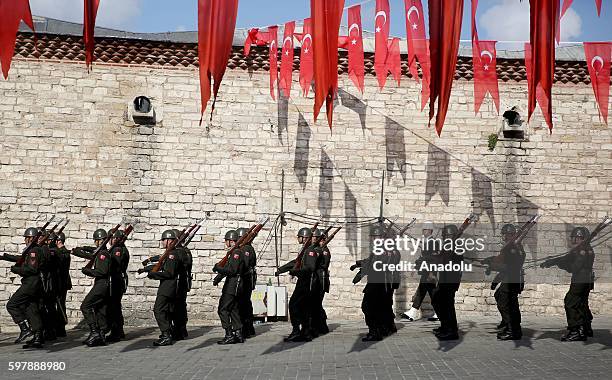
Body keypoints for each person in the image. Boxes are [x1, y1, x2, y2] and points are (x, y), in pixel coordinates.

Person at [541, 226, 595, 341]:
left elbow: (574, 267)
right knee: (581, 303)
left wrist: (560, 265)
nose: (574, 240)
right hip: (586, 280)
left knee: (570, 302)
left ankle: (575, 330)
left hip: (580, 280)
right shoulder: (585, 249)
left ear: (583, 238)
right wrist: (552, 261)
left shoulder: (582, 251)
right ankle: (585, 327)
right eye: (574, 238)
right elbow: (567, 258)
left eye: (577, 238)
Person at [1, 227, 45, 349]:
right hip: (33, 283)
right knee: (31, 309)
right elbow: (22, 259)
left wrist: (17, 270)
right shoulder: (32, 250)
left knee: (12, 304)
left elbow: (32, 269)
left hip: (30, 283)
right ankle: (37, 336)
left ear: (31, 238)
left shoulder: (34, 251)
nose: (25, 240)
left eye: (26, 237)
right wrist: (5, 256)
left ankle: (25, 328)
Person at [483, 224, 526, 340]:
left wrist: (491, 264)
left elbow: (507, 267)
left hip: (512, 280)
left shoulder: (512, 248)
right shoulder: (513, 247)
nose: (504, 236)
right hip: (511, 279)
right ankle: (508, 324)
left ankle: (512, 329)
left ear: (509, 235)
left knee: (507, 304)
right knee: (504, 300)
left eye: (505, 234)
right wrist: (495, 280)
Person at [72, 229, 112, 347]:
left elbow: (102, 272)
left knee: (86, 306)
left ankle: (95, 332)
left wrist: (88, 271)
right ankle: (100, 334)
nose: (96, 243)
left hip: (102, 284)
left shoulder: (103, 254)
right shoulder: (101, 252)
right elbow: (90, 253)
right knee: (99, 309)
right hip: (101, 284)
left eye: (97, 241)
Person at [351, 224, 388, 342]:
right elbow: (370, 260)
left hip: (377, 283)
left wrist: (362, 267)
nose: (372, 239)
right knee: (372, 307)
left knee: (368, 307)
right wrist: (359, 263)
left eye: (374, 237)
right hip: (376, 282)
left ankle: (374, 332)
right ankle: (376, 331)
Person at [281, 227, 319, 342]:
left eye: (299, 236)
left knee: (294, 305)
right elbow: (295, 262)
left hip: (306, 283)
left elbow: (310, 268)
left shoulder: (310, 251)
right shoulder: (305, 250)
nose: (298, 238)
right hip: (303, 281)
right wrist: (281, 270)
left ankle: (298, 330)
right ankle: (304, 332)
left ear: (304, 238)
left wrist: (296, 272)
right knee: (302, 307)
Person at [147, 229, 182, 346]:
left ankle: (166, 334)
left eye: (163, 240)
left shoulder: (172, 254)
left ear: (169, 240)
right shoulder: (170, 252)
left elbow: (169, 273)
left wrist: (154, 274)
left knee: (158, 309)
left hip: (168, 287)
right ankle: (167, 333)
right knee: (165, 310)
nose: (162, 242)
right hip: (168, 286)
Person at [213, 230, 246, 345]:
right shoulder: (234, 252)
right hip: (234, 284)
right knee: (233, 309)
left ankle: (229, 334)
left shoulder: (236, 253)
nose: (225, 242)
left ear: (231, 241)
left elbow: (232, 270)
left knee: (223, 309)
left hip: (233, 285)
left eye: (226, 240)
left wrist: (218, 268)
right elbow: (228, 267)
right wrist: (218, 277)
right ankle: (238, 333)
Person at [431, 224, 462, 341]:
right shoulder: (449, 246)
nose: (445, 238)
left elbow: (444, 259)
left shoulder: (456, 246)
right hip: (445, 279)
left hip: (451, 280)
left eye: (447, 235)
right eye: (444, 236)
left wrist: (435, 257)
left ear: (453, 235)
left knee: (447, 305)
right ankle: (445, 326)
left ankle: (451, 331)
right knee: (437, 300)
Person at [402, 221, 438, 322]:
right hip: (425, 270)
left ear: (430, 230)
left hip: (429, 271)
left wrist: (431, 273)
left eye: (425, 229)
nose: (423, 231)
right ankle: (438, 312)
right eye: (423, 229)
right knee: (428, 292)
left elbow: (432, 259)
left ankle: (414, 312)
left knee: (424, 291)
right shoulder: (427, 241)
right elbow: (424, 257)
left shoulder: (432, 242)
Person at [106, 229, 129, 342]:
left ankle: (116, 332)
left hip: (116, 280)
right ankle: (119, 331)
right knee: (116, 307)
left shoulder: (118, 250)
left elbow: (114, 265)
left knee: (114, 307)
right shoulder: (119, 248)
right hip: (117, 279)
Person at [236, 227, 257, 338]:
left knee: (243, 304)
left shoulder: (247, 249)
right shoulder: (246, 248)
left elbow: (245, 264)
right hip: (246, 279)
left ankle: (246, 328)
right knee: (245, 303)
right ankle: (248, 328)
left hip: (246, 279)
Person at [312, 228, 331, 336]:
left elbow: (323, 265)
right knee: (316, 304)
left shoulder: (324, 251)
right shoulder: (320, 249)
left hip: (321, 280)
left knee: (316, 304)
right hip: (317, 279)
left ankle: (321, 326)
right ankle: (321, 326)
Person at [53, 232, 71, 338]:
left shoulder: (63, 252)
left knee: (60, 305)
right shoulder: (61, 251)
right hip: (60, 282)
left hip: (61, 282)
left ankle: (61, 328)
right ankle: (58, 327)